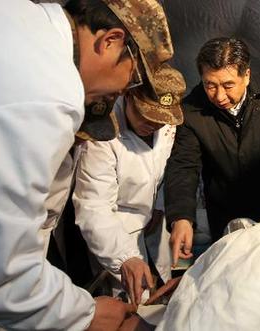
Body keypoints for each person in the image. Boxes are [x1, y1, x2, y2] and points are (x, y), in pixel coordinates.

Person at [0, 0, 174, 329]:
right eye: (132, 78)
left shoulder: (18, 20)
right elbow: (4, 271)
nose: (122, 91)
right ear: (110, 41)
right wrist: (86, 314)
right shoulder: (52, 90)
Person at [164, 37, 260, 265]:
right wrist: (181, 217)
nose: (219, 96)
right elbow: (184, 165)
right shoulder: (191, 110)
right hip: (224, 213)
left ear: (247, 75)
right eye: (210, 85)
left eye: (228, 85)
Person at [73, 64, 186, 306]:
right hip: (115, 229)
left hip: (154, 223)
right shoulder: (102, 133)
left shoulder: (167, 123)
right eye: (147, 115)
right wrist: (125, 258)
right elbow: (94, 205)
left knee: (163, 295)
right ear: (129, 94)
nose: (155, 124)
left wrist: (159, 204)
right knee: (131, 303)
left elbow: (166, 169)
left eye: (161, 120)